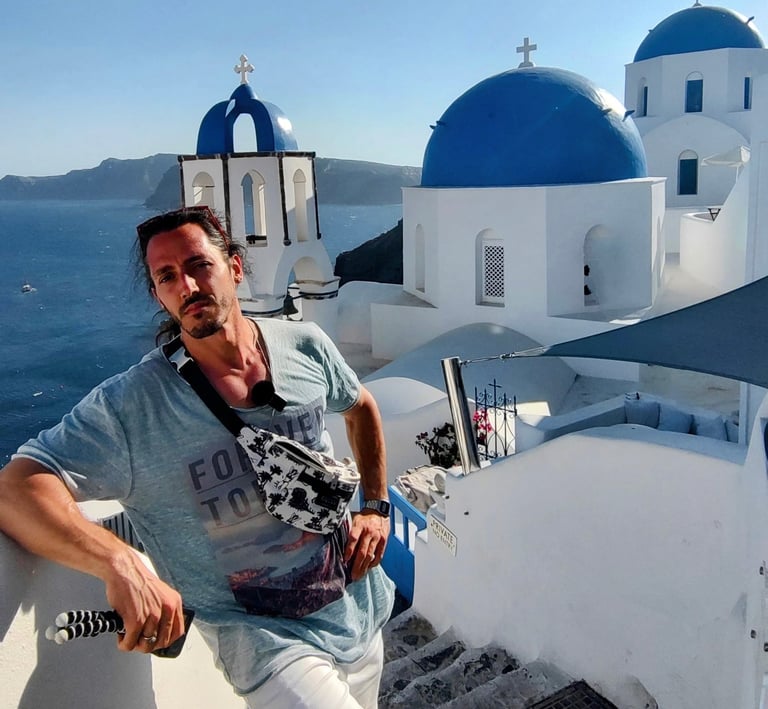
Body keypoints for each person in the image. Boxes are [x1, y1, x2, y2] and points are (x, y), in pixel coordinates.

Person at [0, 206, 394, 708]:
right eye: (167, 276)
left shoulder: (305, 345)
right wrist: (117, 560)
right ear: (158, 295)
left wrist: (376, 508)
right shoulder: (133, 405)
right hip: (265, 645)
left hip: (360, 608)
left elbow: (360, 407)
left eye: (198, 265)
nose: (186, 286)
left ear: (233, 266)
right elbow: (17, 485)